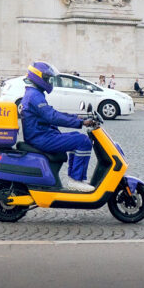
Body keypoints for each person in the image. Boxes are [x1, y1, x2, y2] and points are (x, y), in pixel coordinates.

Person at [20, 62, 96, 192]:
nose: (49, 82)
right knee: (83, 141)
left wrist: (77, 117)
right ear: (39, 77)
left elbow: (51, 113)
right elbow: (52, 117)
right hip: (41, 138)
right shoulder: (34, 96)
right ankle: (75, 180)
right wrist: (81, 123)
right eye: (47, 79)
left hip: (42, 135)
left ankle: (76, 178)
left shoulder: (34, 93)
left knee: (77, 137)